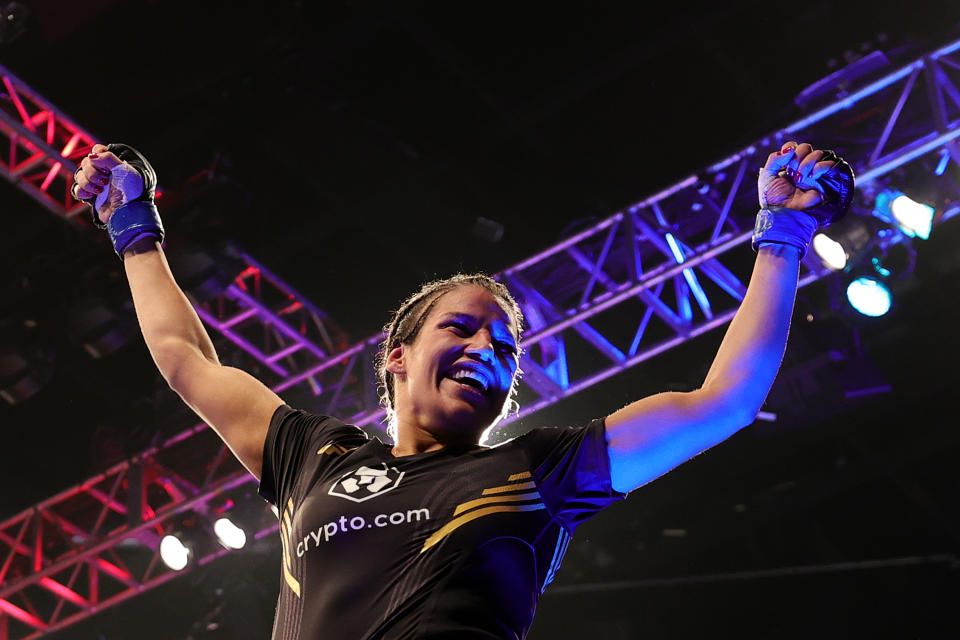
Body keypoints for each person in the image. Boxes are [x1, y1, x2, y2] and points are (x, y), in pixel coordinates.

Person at [72, 139, 853, 639]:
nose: (488, 349)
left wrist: (781, 239)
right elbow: (186, 358)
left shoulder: (539, 470)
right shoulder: (317, 458)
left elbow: (726, 401)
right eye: (463, 329)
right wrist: (135, 228)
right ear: (398, 357)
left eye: (506, 346)